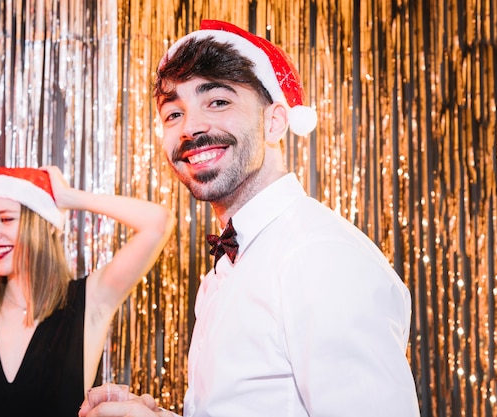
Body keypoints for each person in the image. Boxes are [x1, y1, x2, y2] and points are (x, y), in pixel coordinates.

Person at [80, 19, 421, 417]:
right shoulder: (228, 266)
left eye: (218, 102)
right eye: (173, 113)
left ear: (274, 122)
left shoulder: (321, 258)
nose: (191, 127)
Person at [0, 165, 175, 417]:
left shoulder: (89, 299)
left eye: (5, 218)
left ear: (46, 223)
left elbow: (158, 223)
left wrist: (68, 197)